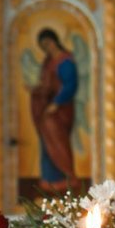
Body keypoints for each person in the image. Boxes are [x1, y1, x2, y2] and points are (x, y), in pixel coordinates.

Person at [30, 28, 78, 194]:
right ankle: (49, 181)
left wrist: (56, 103)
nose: (45, 48)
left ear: (53, 41)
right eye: (42, 46)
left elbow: (70, 85)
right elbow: (47, 85)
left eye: (46, 43)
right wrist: (37, 90)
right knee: (47, 144)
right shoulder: (48, 61)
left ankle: (67, 178)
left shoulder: (65, 61)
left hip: (60, 111)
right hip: (48, 110)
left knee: (59, 144)